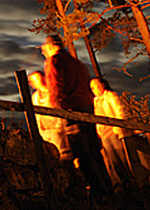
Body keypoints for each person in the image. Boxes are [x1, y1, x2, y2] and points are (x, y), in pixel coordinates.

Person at [41, 34, 111, 197]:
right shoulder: (77, 63)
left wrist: (57, 111)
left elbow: (55, 87)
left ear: (51, 47)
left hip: (71, 110)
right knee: (94, 150)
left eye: (44, 48)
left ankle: (99, 193)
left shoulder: (54, 61)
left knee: (82, 152)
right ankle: (108, 188)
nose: (44, 52)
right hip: (87, 109)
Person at [91, 77, 132, 187]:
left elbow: (120, 111)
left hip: (113, 131)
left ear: (102, 85)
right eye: (92, 87)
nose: (94, 89)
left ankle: (132, 182)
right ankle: (125, 184)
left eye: (95, 85)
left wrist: (118, 128)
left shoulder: (110, 96)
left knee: (122, 158)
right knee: (114, 162)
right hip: (104, 135)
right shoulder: (95, 101)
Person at [28, 70, 65, 157]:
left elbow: (60, 109)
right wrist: (40, 130)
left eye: (40, 78)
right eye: (36, 80)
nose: (39, 81)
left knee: (62, 154)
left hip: (57, 131)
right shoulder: (35, 97)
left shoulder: (53, 92)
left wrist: (58, 127)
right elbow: (36, 115)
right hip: (44, 132)